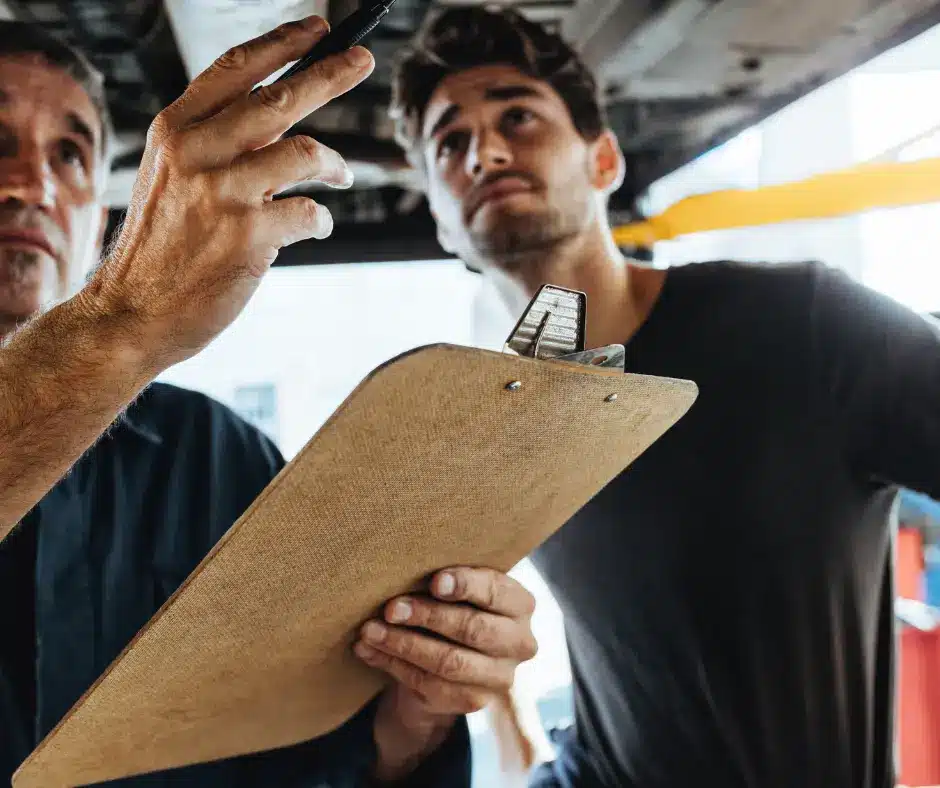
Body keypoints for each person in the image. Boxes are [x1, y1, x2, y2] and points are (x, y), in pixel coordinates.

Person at [390, 6, 940, 788]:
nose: (485, 150)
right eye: (450, 141)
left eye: (518, 114)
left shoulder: (804, 324)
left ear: (605, 160)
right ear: (442, 225)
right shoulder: (505, 426)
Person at [0, 17, 539, 786]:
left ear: (96, 220)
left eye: (71, 154)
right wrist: (123, 323)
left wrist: (420, 705)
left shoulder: (219, 457)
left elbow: (328, 761)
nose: (32, 185)